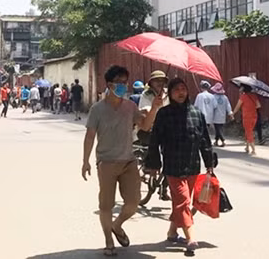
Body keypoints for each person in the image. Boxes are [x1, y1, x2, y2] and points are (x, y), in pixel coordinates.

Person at [82, 65, 162, 257]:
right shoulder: (97, 109)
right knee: (106, 205)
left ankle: (117, 225)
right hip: (106, 162)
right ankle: (109, 242)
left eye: (125, 82)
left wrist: (154, 108)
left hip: (128, 161)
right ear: (109, 84)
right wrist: (85, 161)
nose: (123, 86)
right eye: (119, 82)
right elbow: (90, 136)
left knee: (133, 203)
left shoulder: (130, 106)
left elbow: (144, 126)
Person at [145, 77, 214, 257]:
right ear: (170, 93)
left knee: (180, 202)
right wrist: (153, 163)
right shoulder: (164, 114)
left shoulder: (196, 113)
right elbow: (155, 140)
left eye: (183, 89)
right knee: (183, 201)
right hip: (173, 166)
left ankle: (171, 232)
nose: (181, 92)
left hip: (192, 166)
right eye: (176, 90)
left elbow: (204, 140)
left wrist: (209, 163)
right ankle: (190, 238)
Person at [137, 70, 169, 145]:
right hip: (150, 131)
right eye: (156, 80)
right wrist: (154, 107)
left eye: (162, 80)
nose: (160, 83)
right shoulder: (146, 95)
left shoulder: (169, 94)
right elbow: (146, 114)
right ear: (151, 83)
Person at [232, 84, 260, 155]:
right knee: (249, 130)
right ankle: (247, 147)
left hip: (247, 117)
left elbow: (238, 106)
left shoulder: (243, 97)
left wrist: (233, 113)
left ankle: (253, 149)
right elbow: (258, 105)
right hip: (254, 116)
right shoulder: (254, 96)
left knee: (248, 132)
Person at [209, 83, 233, 147]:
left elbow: (213, 106)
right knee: (219, 128)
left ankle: (223, 140)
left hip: (215, 116)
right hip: (222, 116)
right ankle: (216, 141)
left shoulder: (213, 97)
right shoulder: (225, 98)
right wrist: (230, 113)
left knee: (218, 129)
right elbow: (228, 106)